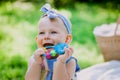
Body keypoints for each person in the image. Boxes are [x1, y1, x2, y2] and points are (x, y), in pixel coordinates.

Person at [25, 3, 80, 80]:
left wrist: (61, 62)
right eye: (42, 33)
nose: (46, 36)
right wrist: (36, 63)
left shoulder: (69, 61)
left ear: (67, 39)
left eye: (53, 32)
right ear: (37, 39)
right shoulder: (36, 58)